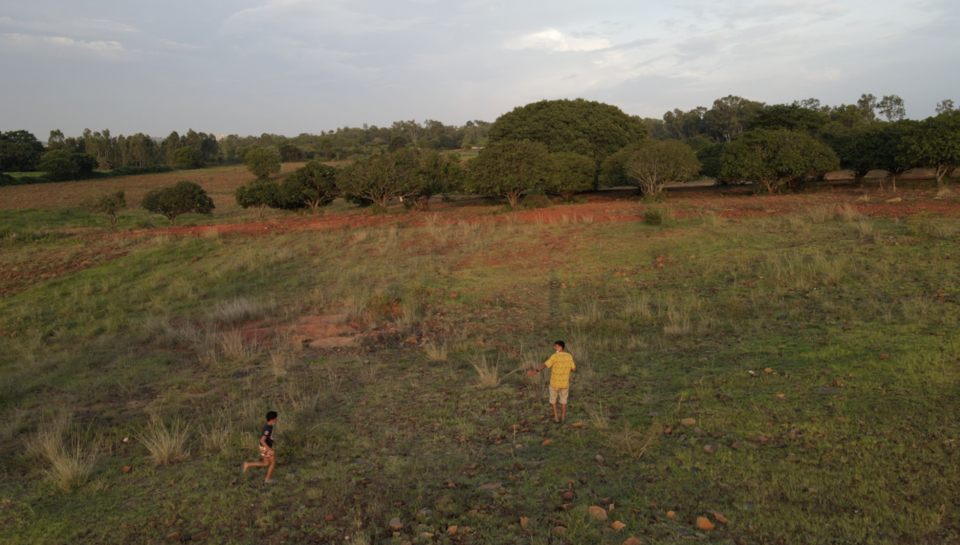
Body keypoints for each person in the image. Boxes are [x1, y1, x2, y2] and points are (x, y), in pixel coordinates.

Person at [527, 341, 577, 423]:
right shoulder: (569, 356)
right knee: (564, 401)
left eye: (556, 346)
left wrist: (535, 371)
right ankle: (563, 418)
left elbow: (545, 365)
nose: (554, 347)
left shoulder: (554, 356)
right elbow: (574, 369)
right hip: (565, 384)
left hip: (554, 383)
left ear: (560, 347)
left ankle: (556, 418)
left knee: (553, 400)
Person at [242, 410, 278, 483]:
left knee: (266, 463)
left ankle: (248, 464)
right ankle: (267, 479)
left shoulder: (269, 426)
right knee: (273, 463)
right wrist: (269, 450)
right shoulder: (268, 429)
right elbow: (262, 440)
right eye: (275, 418)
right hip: (265, 447)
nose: (276, 419)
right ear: (272, 419)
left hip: (263, 447)